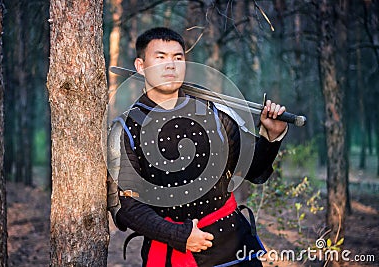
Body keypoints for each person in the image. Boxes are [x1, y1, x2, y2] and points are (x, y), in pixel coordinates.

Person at [108, 27, 288, 267]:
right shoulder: (126, 130)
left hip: (234, 246)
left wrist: (271, 137)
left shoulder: (216, 113)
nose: (170, 65)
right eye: (160, 57)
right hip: (172, 254)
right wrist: (180, 236)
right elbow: (126, 207)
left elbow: (253, 169)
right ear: (141, 66)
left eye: (177, 58)